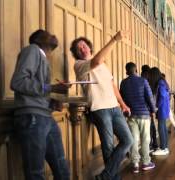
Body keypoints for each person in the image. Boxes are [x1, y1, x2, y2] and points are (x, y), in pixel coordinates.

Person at [71, 31, 133, 180]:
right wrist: (114, 40)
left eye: (84, 46)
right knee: (108, 147)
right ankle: (112, 178)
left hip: (114, 108)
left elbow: (112, 86)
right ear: (77, 54)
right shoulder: (79, 65)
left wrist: (123, 104)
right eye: (79, 49)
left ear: (89, 47)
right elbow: (96, 61)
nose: (82, 49)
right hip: (99, 109)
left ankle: (105, 176)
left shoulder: (103, 64)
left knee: (128, 140)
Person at [10, 29, 71, 180]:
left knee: (62, 168)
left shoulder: (41, 57)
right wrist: (52, 88)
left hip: (45, 116)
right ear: (39, 39)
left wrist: (52, 102)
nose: (54, 35)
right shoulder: (32, 50)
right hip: (33, 118)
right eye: (49, 34)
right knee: (36, 173)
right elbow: (18, 82)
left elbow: (36, 90)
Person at [120, 62, 156, 173]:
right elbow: (149, 97)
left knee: (133, 139)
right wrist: (153, 110)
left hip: (131, 115)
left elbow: (122, 98)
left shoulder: (123, 83)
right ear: (136, 70)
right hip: (144, 114)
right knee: (145, 138)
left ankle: (135, 164)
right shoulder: (143, 81)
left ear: (126, 71)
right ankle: (146, 162)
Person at [148, 68, 170, 156]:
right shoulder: (163, 82)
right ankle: (165, 147)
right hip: (164, 108)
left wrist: (156, 106)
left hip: (162, 108)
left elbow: (162, 96)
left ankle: (163, 148)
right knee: (163, 127)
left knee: (161, 128)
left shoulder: (160, 83)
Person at [141, 65, 159, 151]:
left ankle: (151, 144)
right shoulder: (150, 80)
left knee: (149, 127)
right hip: (150, 106)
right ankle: (154, 143)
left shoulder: (143, 79)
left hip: (145, 107)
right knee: (151, 125)